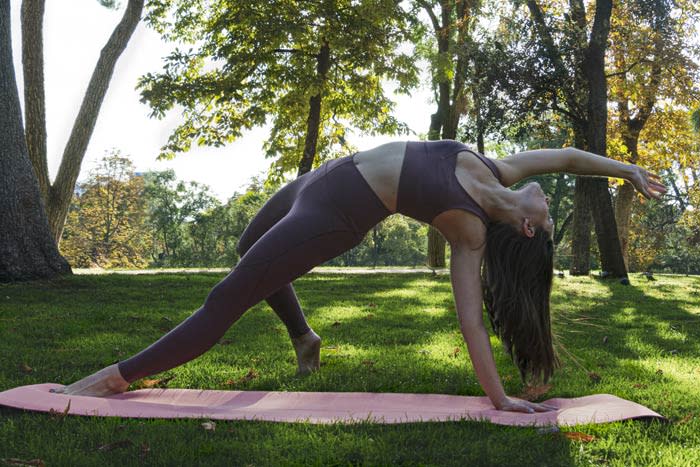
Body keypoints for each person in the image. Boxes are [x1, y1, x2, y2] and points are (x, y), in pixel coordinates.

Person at [53, 140, 666, 414]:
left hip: (334, 213)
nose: (548, 195)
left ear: (529, 230)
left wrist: (499, 397)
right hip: (321, 177)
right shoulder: (498, 169)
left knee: (229, 294)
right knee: (246, 246)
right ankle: (303, 337)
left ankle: (115, 377)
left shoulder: (470, 232)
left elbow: (472, 322)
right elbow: (568, 157)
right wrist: (628, 170)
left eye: (550, 213)